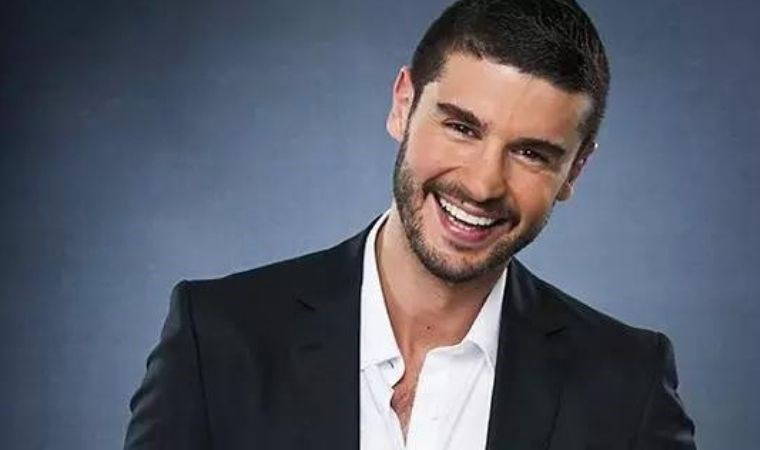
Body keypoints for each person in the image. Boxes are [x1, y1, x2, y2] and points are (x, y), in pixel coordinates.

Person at [124, 0, 696, 449]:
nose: (482, 185)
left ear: (575, 170)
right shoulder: (217, 338)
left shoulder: (629, 386)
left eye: (531, 153)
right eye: (462, 128)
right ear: (403, 104)